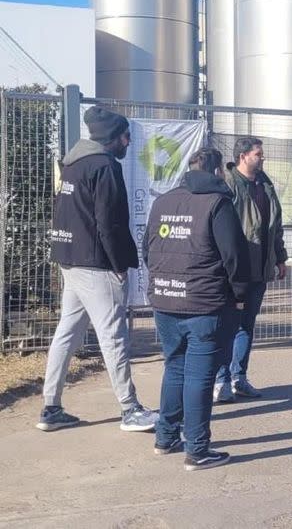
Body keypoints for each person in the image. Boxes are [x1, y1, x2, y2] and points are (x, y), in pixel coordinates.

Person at [38, 105, 157, 432]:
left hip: (70, 259)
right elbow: (110, 223)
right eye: (125, 136)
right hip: (97, 264)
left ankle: (51, 408)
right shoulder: (104, 167)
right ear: (112, 138)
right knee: (113, 336)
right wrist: (120, 265)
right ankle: (130, 409)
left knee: (67, 333)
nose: (129, 142)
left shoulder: (73, 163)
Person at [144, 147, 250, 471]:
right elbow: (234, 257)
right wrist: (241, 294)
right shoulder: (218, 203)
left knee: (174, 367)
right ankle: (198, 450)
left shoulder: (162, 201)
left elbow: (147, 248)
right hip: (204, 304)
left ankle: (165, 437)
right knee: (199, 376)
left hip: (165, 300)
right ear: (218, 171)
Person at [213, 136, 288, 402]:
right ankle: (220, 381)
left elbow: (275, 225)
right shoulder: (228, 184)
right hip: (235, 271)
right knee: (227, 326)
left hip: (259, 269)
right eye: (259, 153)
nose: (263, 157)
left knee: (247, 325)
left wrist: (280, 257)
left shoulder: (264, 184)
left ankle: (238, 378)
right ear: (243, 156)